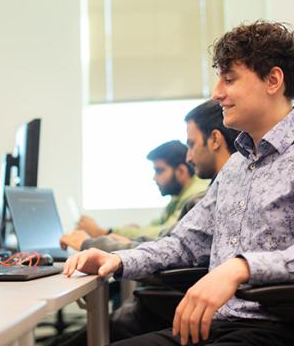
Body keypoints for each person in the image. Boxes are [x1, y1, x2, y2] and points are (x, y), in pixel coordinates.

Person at [63, 21, 294, 346]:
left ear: (273, 80)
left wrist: (241, 267)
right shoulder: (237, 164)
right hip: (219, 325)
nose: (216, 92)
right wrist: (120, 260)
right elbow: (183, 243)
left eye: (229, 79)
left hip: (285, 330)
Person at [60, 100, 239, 254]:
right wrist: (117, 239)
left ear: (215, 139)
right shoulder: (217, 191)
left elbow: (168, 251)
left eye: (192, 145)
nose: (189, 157)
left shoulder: (205, 198)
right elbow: (168, 239)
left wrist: (93, 242)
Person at [65, 141, 209, 250]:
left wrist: (105, 232)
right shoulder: (178, 197)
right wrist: (132, 232)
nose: (154, 178)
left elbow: (163, 233)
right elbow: (157, 225)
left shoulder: (196, 194)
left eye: (159, 171)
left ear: (181, 171)